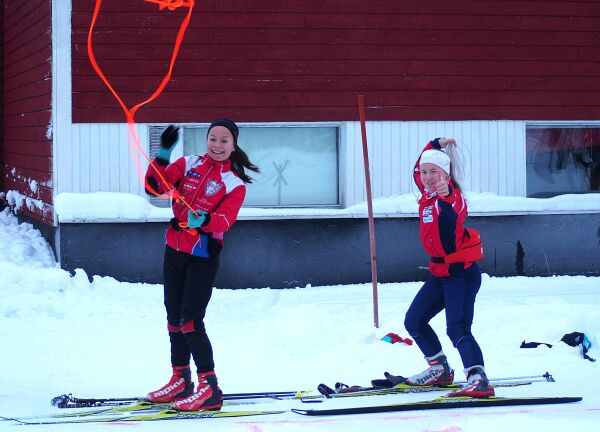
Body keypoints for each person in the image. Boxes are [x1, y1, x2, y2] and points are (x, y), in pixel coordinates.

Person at [144, 119, 259, 411]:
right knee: (173, 319)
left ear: (233, 145)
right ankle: (180, 379)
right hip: (174, 248)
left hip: (203, 254)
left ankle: (210, 388)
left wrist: (205, 221)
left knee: (190, 321)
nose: (217, 145)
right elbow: (155, 186)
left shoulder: (234, 183)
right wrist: (164, 154)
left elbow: (226, 219)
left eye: (224, 141)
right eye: (212, 139)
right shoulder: (189, 163)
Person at [402, 137, 494, 398]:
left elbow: (453, 204)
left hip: (461, 275)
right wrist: (434, 144)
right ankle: (440, 369)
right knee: (414, 321)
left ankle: (478, 378)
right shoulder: (425, 194)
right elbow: (419, 166)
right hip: (439, 274)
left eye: (435, 172)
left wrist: (447, 194)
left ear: (446, 174)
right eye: (425, 172)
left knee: (457, 328)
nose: (428, 177)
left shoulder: (453, 197)